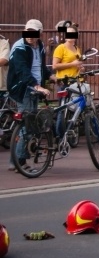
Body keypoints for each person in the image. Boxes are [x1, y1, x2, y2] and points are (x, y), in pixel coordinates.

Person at [7, 19, 55, 171]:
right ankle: (20, 162)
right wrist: (37, 86)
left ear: (40, 34)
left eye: (34, 33)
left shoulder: (39, 46)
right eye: (28, 32)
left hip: (35, 88)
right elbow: (23, 72)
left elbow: (40, 66)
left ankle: (14, 161)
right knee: (27, 127)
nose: (30, 36)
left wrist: (50, 76)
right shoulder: (19, 48)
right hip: (23, 88)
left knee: (29, 124)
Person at [52, 24, 83, 138]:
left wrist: (80, 67)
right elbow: (55, 66)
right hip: (64, 82)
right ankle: (59, 135)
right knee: (62, 108)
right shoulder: (61, 48)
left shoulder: (77, 48)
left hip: (75, 81)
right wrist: (72, 64)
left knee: (74, 108)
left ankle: (71, 132)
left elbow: (77, 64)